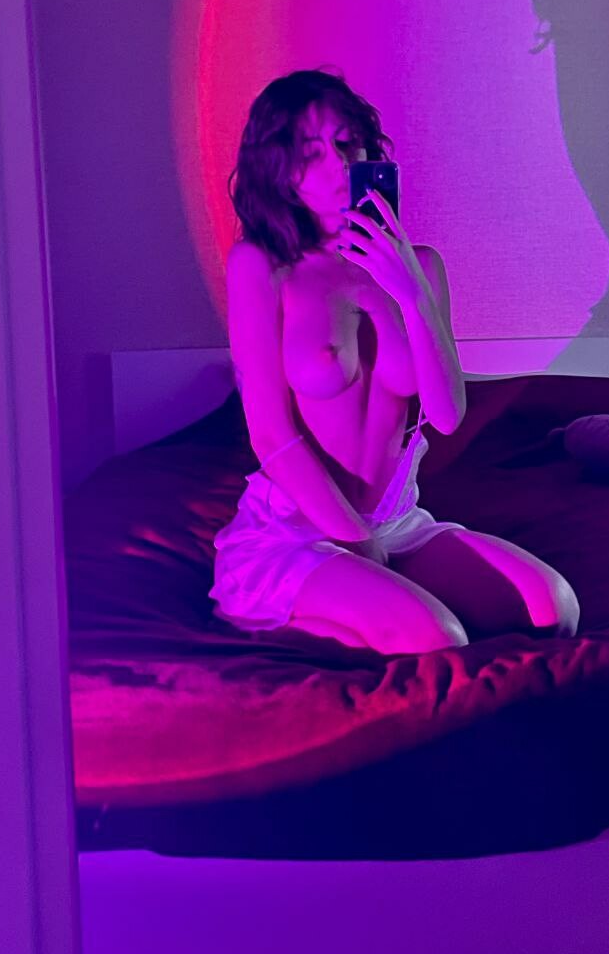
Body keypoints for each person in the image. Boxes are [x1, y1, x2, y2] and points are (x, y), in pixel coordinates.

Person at [210, 69, 581, 655]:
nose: (337, 166)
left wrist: (409, 291)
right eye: (310, 153)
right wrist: (356, 541)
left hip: (397, 520)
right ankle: (270, 615)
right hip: (300, 528)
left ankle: (372, 601)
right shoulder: (264, 267)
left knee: (553, 611)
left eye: (347, 145)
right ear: (280, 169)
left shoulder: (420, 266)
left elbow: (447, 415)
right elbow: (270, 433)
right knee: (437, 639)